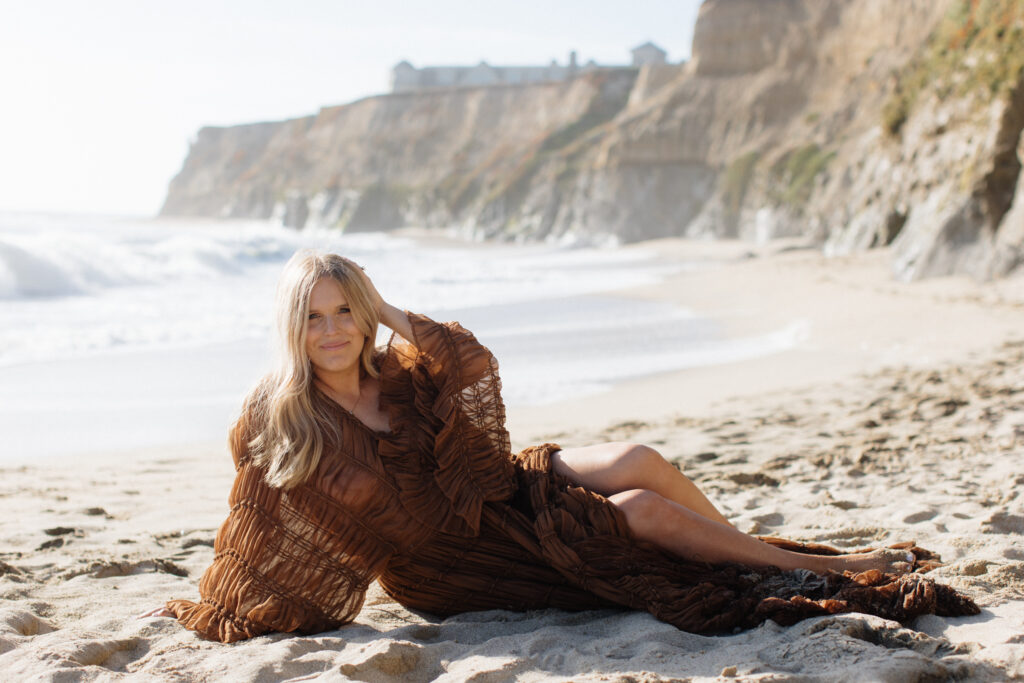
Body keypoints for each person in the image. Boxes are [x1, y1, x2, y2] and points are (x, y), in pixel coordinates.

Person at [144, 250, 976, 642]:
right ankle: (830, 570)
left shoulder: (401, 369)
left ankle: (749, 556)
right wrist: (220, 603)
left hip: (498, 494)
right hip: (453, 565)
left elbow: (471, 363)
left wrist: (389, 311)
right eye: (313, 316)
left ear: (363, 312)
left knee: (642, 461)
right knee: (640, 513)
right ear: (293, 326)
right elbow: (258, 526)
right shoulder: (281, 415)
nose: (331, 331)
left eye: (344, 310)